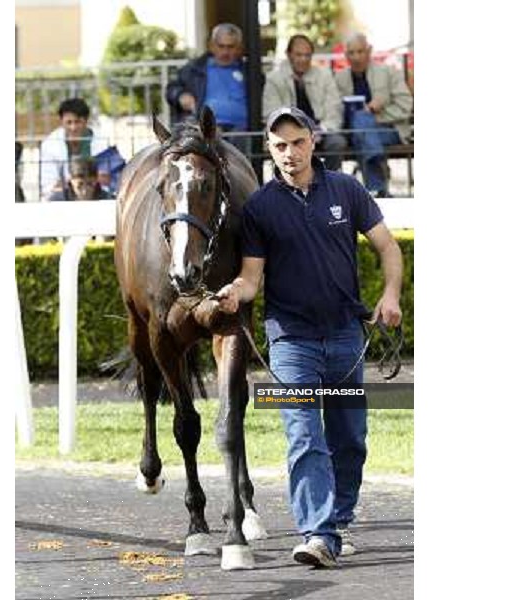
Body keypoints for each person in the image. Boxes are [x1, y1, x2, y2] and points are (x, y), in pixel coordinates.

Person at [215, 107, 403, 566]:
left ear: (312, 141)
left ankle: (338, 520)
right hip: (290, 341)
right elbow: (251, 278)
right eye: (280, 146)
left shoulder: (347, 189)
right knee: (303, 435)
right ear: (270, 149)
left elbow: (387, 246)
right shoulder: (260, 208)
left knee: (349, 438)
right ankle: (317, 533)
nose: (290, 153)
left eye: (297, 142)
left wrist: (391, 295)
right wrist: (233, 293)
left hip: (345, 335)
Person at [334, 33, 413, 197]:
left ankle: (376, 185)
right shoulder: (340, 78)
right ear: (346, 55)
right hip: (353, 133)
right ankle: (379, 179)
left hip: (389, 130)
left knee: (362, 123)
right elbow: (334, 110)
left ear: (369, 51)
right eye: (351, 53)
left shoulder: (388, 72)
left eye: (360, 51)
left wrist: (377, 113)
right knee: (360, 125)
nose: (356, 57)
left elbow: (406, 105)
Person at [262, 34, 347, 171]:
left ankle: (330, 184)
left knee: (337, 142)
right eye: (299, 55)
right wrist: (295, 133)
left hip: (321, 131)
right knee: (286, 147)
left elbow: (334, 108)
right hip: (288, 133)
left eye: (307, 55)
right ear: (289, 55)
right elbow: (270, 113)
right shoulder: (275, 79)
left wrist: (323, 129)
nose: (303, 59)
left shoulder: (324, 76)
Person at [166, 23, 252, 150]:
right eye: (221, 46)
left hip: (242, 130)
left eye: (231, 47)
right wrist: (181, 95)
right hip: (206, 126)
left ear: (239, 48)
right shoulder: (194, 69)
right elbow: (171, 89)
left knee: (244, 142)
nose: (225, 52)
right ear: (212, 46)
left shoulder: (249, 71)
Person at [40, 98, 125, 200]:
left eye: (78, 122)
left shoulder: (103, 142)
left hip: (97, 195)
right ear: (61, 121)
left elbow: (113, 181)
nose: (73, 127)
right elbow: (48, 185)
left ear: (86, 121)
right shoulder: (50, 144)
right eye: (69, 122)